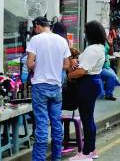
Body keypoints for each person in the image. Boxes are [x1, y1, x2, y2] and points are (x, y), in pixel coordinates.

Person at [27, 17, 71, 161]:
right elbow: (67, 65)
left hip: (40, 85)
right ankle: (56, 158)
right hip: (56, 87)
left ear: (37, 26)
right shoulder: (62, 41)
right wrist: (54, 65)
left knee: (41, 125)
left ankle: (39, 159)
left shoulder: (36, 39)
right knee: (56, 124)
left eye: (35, 28)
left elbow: (29, 63)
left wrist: (40, 65)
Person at [68, 21, 106, 161]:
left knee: (87, 118)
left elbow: (82, 71)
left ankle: (86, 153)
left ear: (91, 33)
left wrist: (69, 75)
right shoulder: (99, 48)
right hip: (93, 83)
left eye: (85, 31)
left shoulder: (93, 49)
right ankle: (92, 150)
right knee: (88, 118)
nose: (84, 33)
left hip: (88, 84)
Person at [99, 35, 120, 101]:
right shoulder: (95, 44)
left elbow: (111, 53)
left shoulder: (105, 43)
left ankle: (106, 90)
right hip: (100, 68)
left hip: (107, 67)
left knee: (117, 81)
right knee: (112, 76)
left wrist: (111, 45)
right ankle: (108, 94)